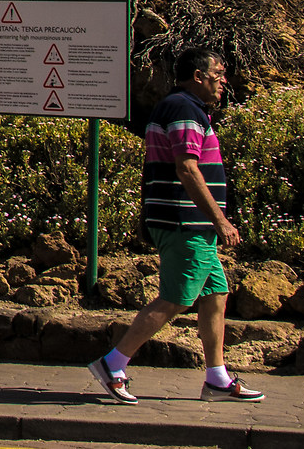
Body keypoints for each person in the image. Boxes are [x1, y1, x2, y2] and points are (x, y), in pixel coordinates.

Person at [89, 49, 265, 403]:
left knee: (215, 293)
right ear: (197, 76)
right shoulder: (184, 109)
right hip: (185, 221)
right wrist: (220, 220)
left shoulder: (183, 108)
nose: (223, 81)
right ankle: (113, 362)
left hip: (190, 223)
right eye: (218, 73)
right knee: (176, 298)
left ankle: (216, 377)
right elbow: (186, 168)